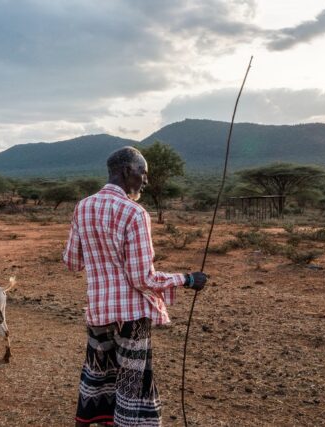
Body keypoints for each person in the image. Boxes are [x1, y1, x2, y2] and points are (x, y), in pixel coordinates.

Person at [63, 146, 207, 427]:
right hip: (131, 315)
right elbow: (143, 279)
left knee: (99, 370)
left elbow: (71, 262)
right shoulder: (135, 213)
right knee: (133, 379)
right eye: (143, 172)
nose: (146, 180)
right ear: (128, 171)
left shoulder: (83, 206)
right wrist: (187, 279)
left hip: (98, 311)